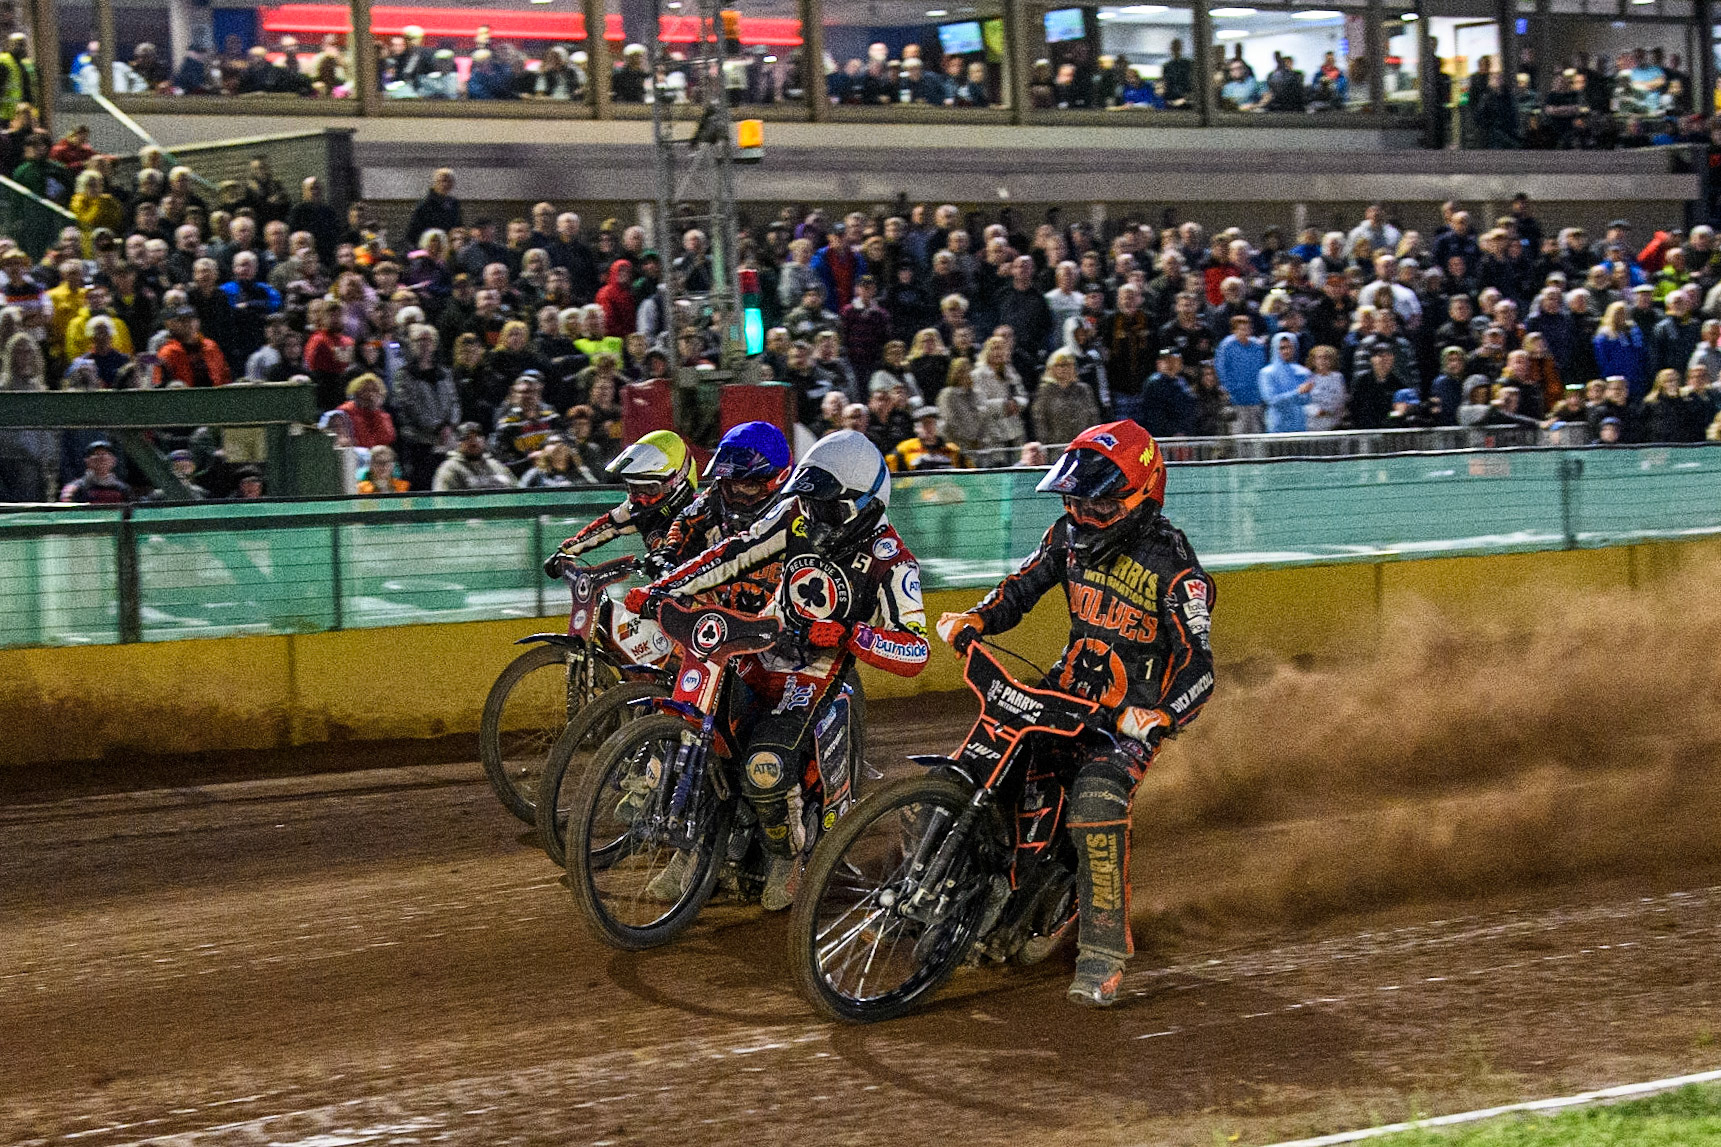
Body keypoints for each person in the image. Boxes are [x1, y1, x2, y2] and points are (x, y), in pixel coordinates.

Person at [935, 420, 1214, 1007]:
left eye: (1101, 506)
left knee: (1095, 798)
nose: (1084, 516)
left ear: (1143, 498)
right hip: (1063, 693)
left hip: (1125, 723)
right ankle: (941, 888)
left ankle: (1102, 954)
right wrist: (976, 619)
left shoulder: (1176, 569)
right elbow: (1019, 589)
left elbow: (1200, 666)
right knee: (979, 763)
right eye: (1075, 502)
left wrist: (1163, 716)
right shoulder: (1064, 536)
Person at [627, 430, 929, 910]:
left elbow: (916, 651)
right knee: (704, 737)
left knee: (764, 769)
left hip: (814, 674)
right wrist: (666, 587)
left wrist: (851, 635)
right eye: (807, 501)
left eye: (825, 506)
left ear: (865, 504)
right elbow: (734, 553)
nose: (813, 513)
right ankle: (695, 851)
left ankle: (787, 856)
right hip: (758, 645)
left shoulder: (891, 563)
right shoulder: (794, 515)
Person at [544, 429, 698, 577]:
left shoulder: (702, 513)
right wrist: (566, 551)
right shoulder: (640, 510)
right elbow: (607, 525)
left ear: (678, 480)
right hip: (666, 590)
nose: (640, 499)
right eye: (634, 489)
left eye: (650, 488)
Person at [432, 421, 518, 491]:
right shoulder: (450, 469)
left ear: (484, 440)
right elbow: (443, 501)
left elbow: (516, 491)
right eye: (467, 437)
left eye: (478, 436)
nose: (474, 441)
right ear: (459, 443)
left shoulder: (496, 466)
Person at [1259, 332, 1314, 433]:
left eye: (1289, 347)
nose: (1286, 351)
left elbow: (1307, 399)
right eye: (1282, 348)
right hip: (1277, 426)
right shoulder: (1267, 373)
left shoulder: (1303, 372)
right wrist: (1297, 392)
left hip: (1299, 425)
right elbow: (1271, 400)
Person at [888, 404, 969, 471]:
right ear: (916, 428)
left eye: (932, 423)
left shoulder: (953, 451)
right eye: (925, 424)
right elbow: (890, 475)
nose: (929, 428)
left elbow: (970, 476)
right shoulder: (904, 449)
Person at [60, 439, 132, 503]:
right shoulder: (74, 489)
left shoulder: (123, 489)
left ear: (113, 461)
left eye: (105, 455)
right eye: (96, 455)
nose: (101, 458)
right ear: (87, 461)